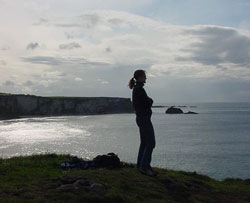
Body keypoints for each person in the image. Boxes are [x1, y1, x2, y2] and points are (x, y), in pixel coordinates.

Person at [128, 70, 157, 176]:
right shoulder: (139, 89)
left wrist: (148, 101)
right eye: (144, 76)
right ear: (139, 77)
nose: (146, 78)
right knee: (151, 143)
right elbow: (147, 102)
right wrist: (150, 101)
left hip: (141, 118)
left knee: (144, 143)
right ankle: (144, 167)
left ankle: (140, 166)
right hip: (144, 119)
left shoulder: (137, 89)